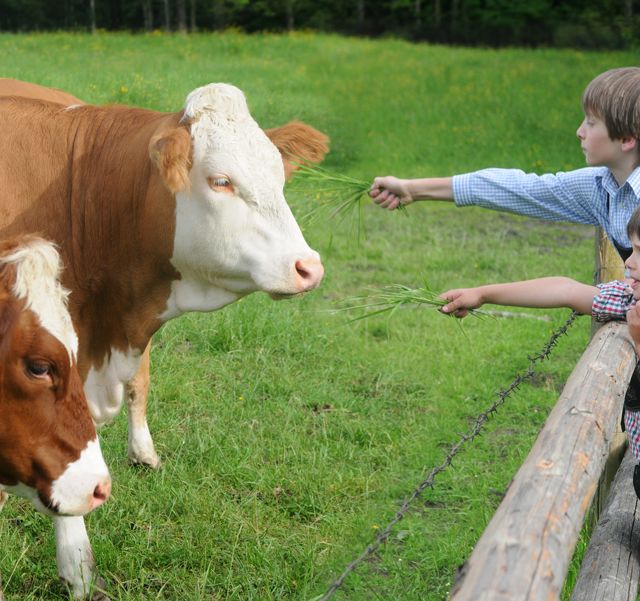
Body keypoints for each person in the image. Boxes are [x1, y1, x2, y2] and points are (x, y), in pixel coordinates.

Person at [369, 67, 640, 259]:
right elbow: (520, 189)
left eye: (591, 123)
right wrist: (412, 189)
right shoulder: (602, 187)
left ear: (627, 139)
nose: (580, 131)